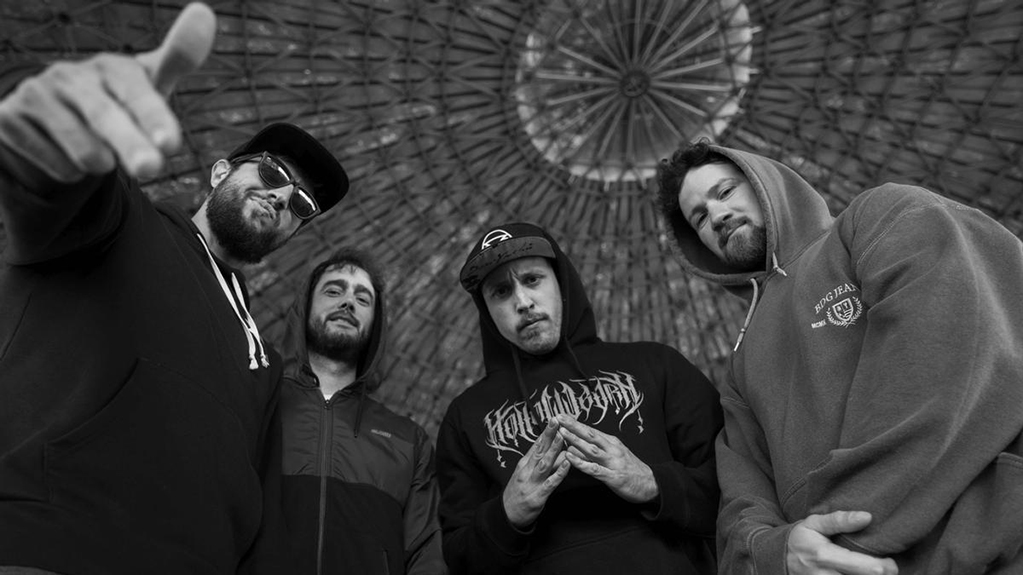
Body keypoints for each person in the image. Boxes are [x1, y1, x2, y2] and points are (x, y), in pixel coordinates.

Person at [0, 4, 350, 573]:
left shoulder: (264, 357)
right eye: (271, 172)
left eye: (302, 204)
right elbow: (53, 183)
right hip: (50, 546)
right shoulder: (122, 222)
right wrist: (45, 127)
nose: (283, 196)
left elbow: (261, 512)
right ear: (220, 173)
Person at [656, 140, 1023, 575]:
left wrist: (844, 540)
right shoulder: (739, 365)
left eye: (725, 191)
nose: (716, 216)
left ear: (765, 182)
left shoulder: (879, 215)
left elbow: (947, 367)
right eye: (699, 218)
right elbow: (741, 501)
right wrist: (778, 553)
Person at [436, 222, 723, 575]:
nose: (522, 302)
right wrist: (507, 515)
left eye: (532, 279)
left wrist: (652, 483)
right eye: (500, 291)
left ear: (561, 282)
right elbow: (459, 559)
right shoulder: (465, 417)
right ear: (487, 310)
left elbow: (735, 489)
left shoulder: (657, 365)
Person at [276, 248, 447, 575]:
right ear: (305, 306)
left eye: (363, 299)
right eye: (334, 291)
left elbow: (428, 555)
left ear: (376, 325)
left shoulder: (409, 441)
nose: (348, 303)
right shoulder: (259, 406)